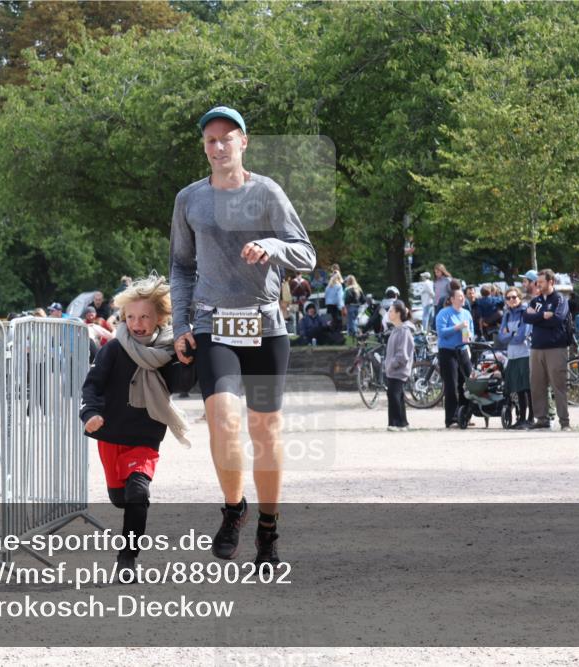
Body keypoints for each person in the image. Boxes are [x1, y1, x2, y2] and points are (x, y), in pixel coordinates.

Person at [170, 105, 316, 565]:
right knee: (223, 420)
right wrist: (180, 325)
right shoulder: (189, 199)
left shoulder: (267, 193)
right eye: (210, 140)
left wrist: (271, 246)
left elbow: (305, 254)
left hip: (265, 323)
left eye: (226, 139)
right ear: (204, 146)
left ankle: (268, 528)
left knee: (266, 431)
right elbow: (181, 265)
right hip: (214, 323)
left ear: (243, 142)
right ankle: (234, 509)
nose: (218, 147)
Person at [80, 275, 191, 580]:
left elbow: (182, 383)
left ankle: (127, 560)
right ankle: (126, 522)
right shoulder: (114, 349)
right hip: (112, 435)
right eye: (131, 317)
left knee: (137, 492)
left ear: (159, 318)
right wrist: (90, 412)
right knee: (120, 498)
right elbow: (92, 386)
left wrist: (191, 358)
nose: (137, 323)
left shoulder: (169, 352)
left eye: (144, 317)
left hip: (146, 435)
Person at [522, 269, 571, 431]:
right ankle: (541, 419)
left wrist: (537, 317)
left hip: (556, 347)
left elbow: (557, 319)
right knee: (537, 385)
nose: (538, 284)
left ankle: (564, 421)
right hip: (536, 348)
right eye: (537, 281)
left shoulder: (560, 299)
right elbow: (526, 317)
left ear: (551, 282)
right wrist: (543, 315)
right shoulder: (535, 300)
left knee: (558, 386)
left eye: (541, 281)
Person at [435, 285, 474, 428]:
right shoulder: (444, 313)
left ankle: (465, 416)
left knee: (468, 383)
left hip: (463, 350)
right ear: (452, 299)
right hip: (448, 352)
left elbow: (471, 331)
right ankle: (451, 418)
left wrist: (469, 336)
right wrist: (457, 327)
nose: (462, 298)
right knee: (451, 385)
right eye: (459, 296)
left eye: (463, 296)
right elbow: (442, 333)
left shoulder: (467, 314)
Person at [498, 287, 532, 429]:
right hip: (512, 355)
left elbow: (522, 335)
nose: (511, 300)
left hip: (525, 354)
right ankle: (521, 419)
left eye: (514, 297)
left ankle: (530, 419)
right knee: (518, 389)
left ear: (519, 297)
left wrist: (509, 334)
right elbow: (501, 337)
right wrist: (512, 334)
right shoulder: (506, 315)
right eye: (508, 298)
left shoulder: (525, 312)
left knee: (527, 388)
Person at [384, 300, 414, 431]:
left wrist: (392, 364)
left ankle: (396, 423)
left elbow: (402, 354)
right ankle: (402, 423)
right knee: (397, 395)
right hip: (393, 370)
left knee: (394, 394)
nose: (388, 313)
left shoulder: (404, 331)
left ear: (398, 313)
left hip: (398, 370)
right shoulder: (396, 330)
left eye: (391, 311)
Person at [343, 275, 365, 339]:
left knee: (351, 321)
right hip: (358, 307)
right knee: (356, 321)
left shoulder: (348, 289)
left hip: (350, 306)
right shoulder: (358, 288)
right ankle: (357, 333)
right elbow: (363, 299)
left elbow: (346, 299)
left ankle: (355, 335)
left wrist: (345, 304)